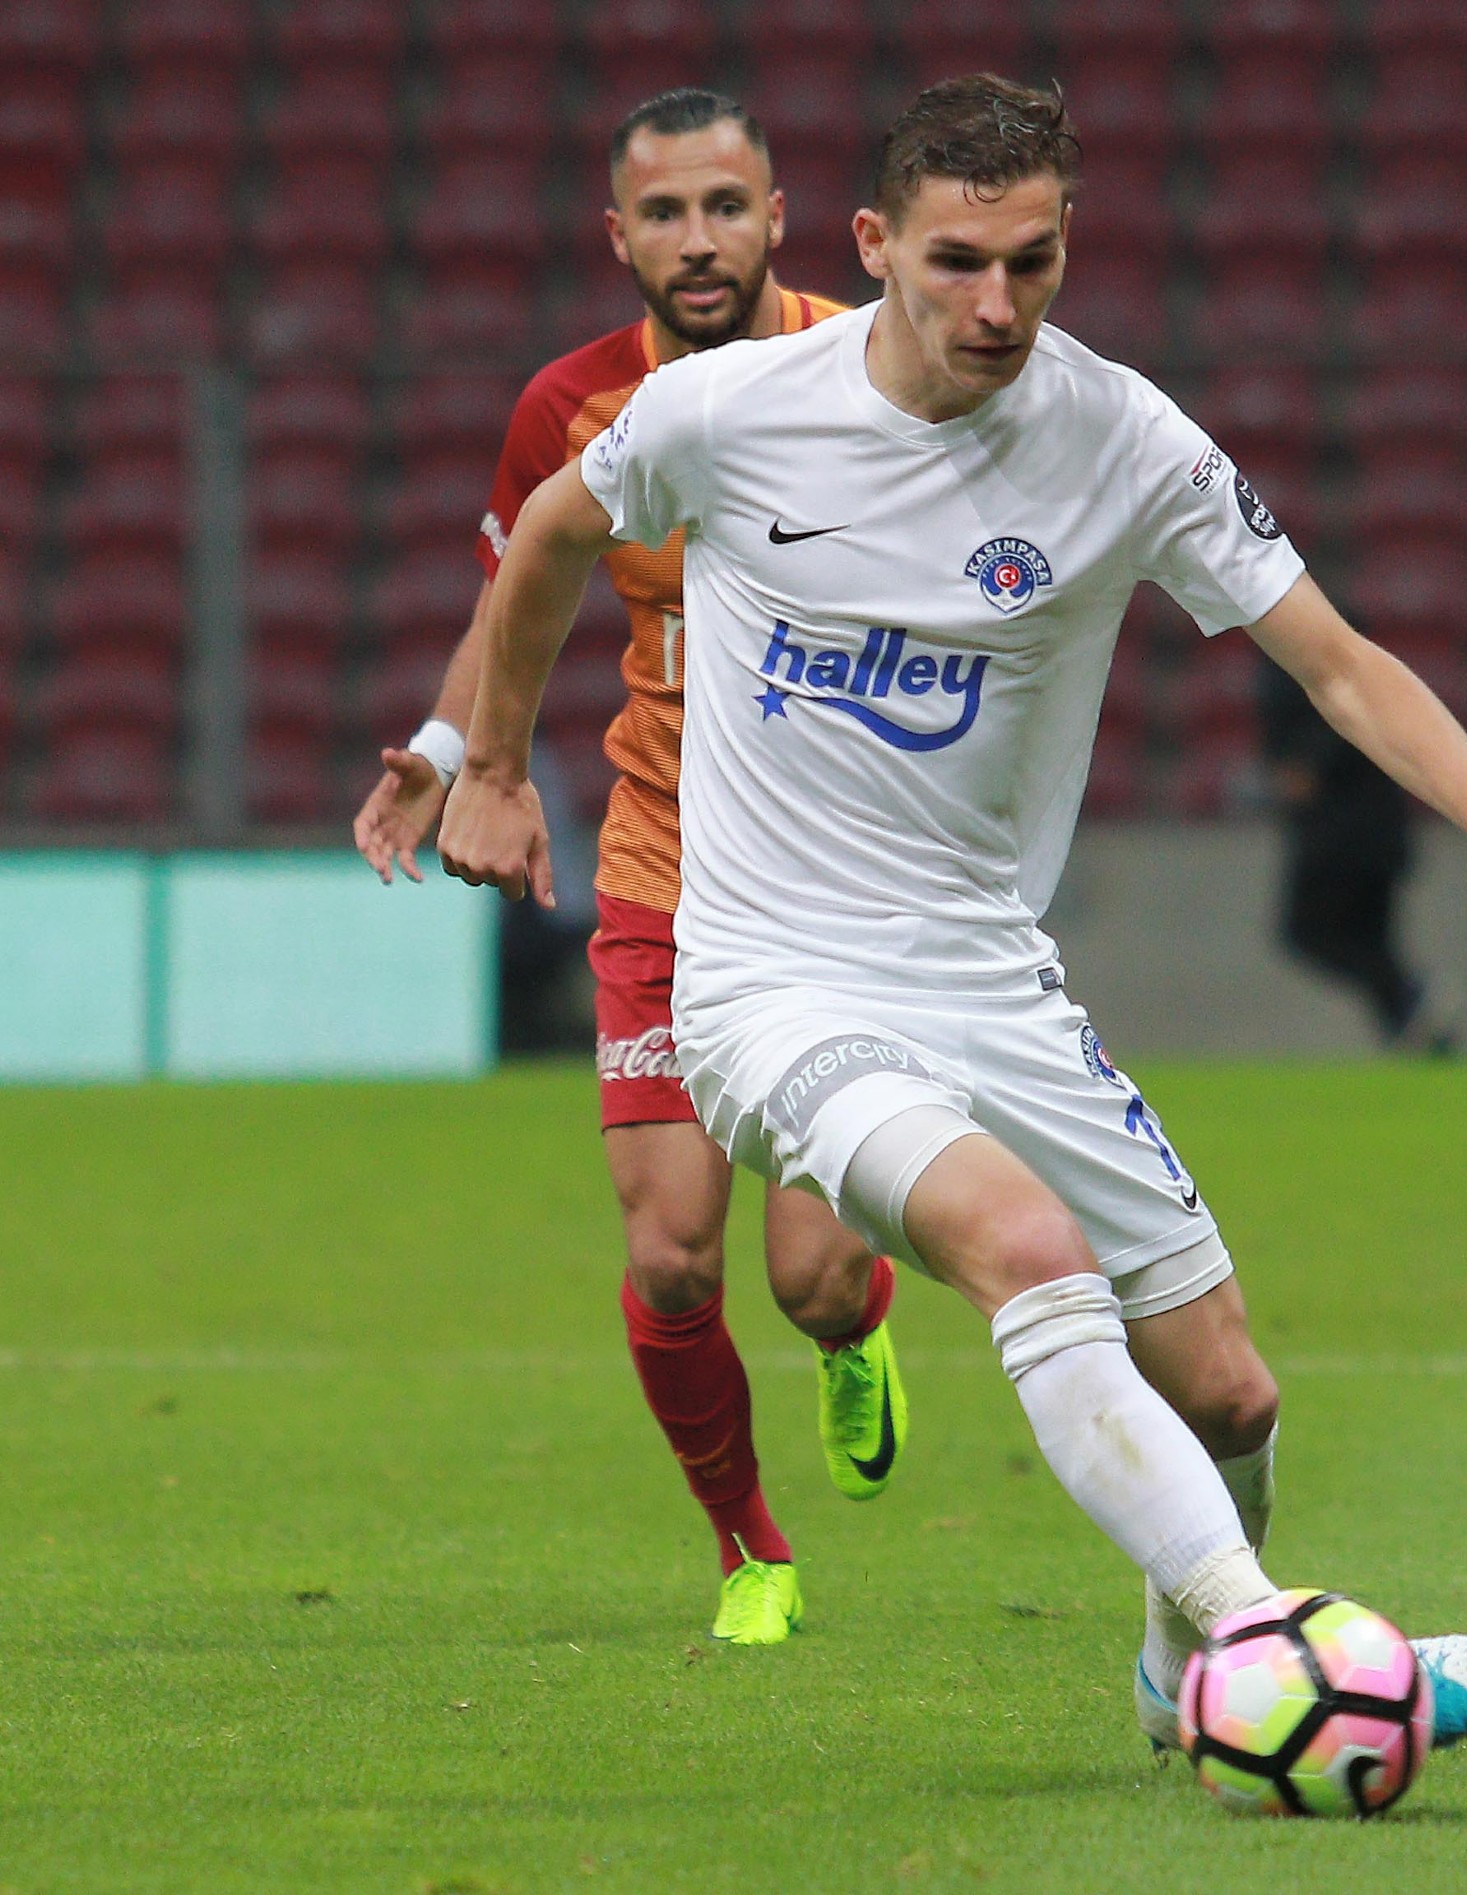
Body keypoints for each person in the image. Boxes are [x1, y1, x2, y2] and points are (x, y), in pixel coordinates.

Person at [436, 76, 1467, 1753]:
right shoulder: (729, 411)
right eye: (958, 262)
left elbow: (1336, 659)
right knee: (1027, 1250)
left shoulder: (1123, 438)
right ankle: (1290, 1657)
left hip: (990, 977)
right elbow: (552, 533)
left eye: (1033, 263)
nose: (997, 305)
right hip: (774, 983)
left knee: (1229, 1392)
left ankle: (1175, 1662)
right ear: (873, 246)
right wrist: (492, 763)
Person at [353, 89, 906, 1648]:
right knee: (670, 1254)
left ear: (779, 215)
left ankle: (853, 1333)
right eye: (665, 213)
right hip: (666, 863)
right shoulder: (574, 404)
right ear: (620, 236)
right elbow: (513, 592)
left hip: (842, 879)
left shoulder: (878, 364)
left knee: (813, 1276)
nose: (698, 238)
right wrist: (450, 752)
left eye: (725, 206)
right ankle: (750, 1549)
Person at [1259, 664, 1445, 1048]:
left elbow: (1339, 710)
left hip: (1342, 836)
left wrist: (1306, 764)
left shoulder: (1301, 651)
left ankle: (1409, 997)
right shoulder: (1346, 647)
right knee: (1372, 945)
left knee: (1309, 933)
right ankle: (1417, 1030)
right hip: (1377, 829)